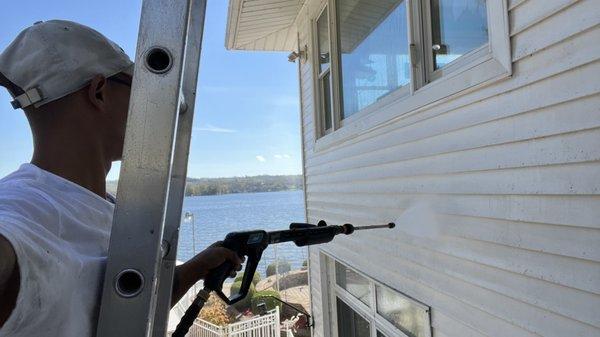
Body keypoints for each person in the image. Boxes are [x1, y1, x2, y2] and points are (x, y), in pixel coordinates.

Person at [0, 20, 242, 336]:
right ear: (99, 92)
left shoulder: (103, 207)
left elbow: (123, 310)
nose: (150, 105)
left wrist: (195, 269)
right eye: (139, 89)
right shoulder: (23, 212)